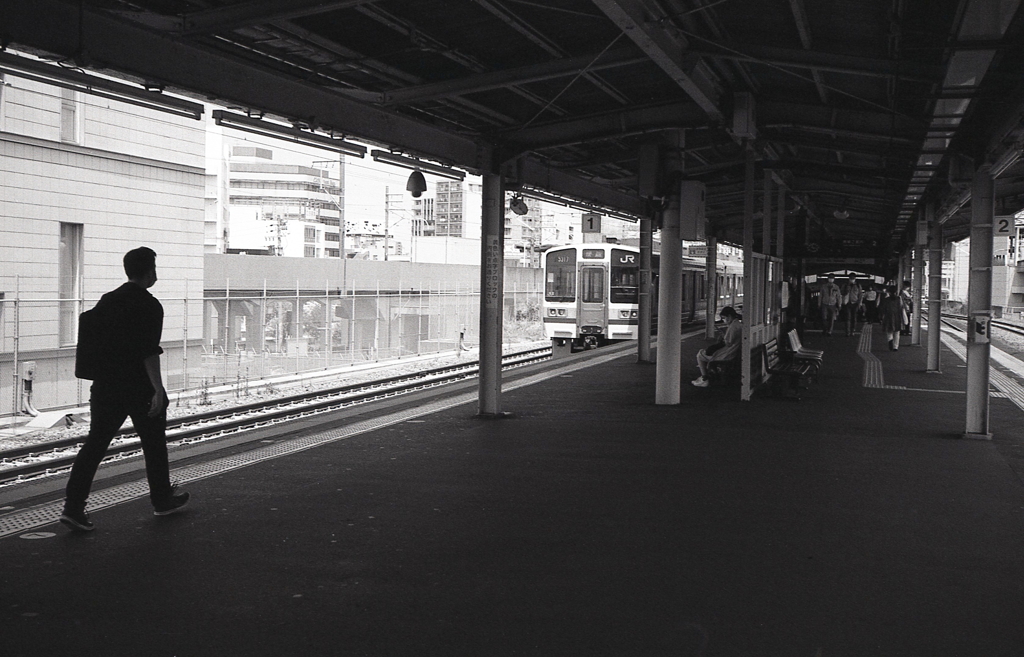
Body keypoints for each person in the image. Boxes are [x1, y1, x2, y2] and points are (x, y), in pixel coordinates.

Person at [60, 247, 189, 532]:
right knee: (153, 445)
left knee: (95, 445)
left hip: (105, 387)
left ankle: (73, 507)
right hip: (139, 387)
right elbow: (149, 352)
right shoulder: (150, 305)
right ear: (150, 271)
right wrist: (158, 389)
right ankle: (162, 500)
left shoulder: (107, 301)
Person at [692, 306, 742, 387]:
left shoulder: (733, 327)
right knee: (705, 353)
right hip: (733, 353)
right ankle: (707, 376)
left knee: (700, 354)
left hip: (728, 354)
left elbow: (728, 343)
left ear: (729, 317)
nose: (724, 320)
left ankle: (705, 379)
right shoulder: (738, 324)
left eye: (724, 318)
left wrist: (723, 338)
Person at [879, 285, 904, 351]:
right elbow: (901, 307)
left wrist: (881, 317)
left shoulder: (886, 300)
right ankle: (895, 347)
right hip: (897, 316)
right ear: (896, 292)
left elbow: (883, 309)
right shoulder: (899, 299)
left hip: (888, 316)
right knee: (897, 332)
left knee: (889, 331)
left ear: (889, 292)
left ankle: (890, 341)